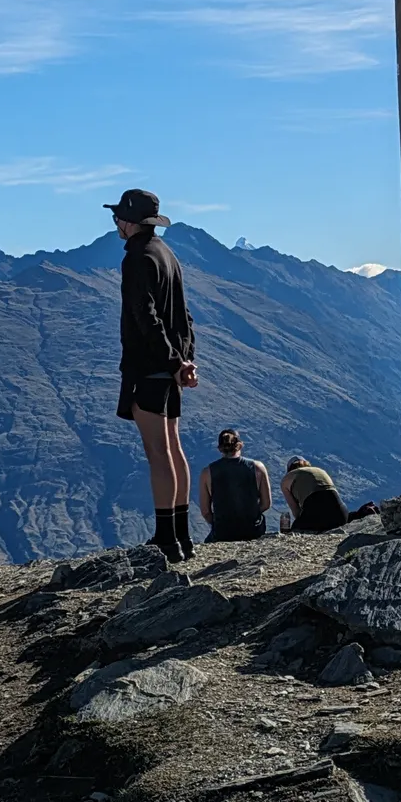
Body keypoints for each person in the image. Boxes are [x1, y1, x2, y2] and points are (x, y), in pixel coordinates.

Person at [109, 188, 199, 560]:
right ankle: (183, 536)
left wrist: (169, 361)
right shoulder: (168, 255)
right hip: (171, 368)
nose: (115, 222)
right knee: (174, 449)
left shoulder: (136, 258)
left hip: (149, 368)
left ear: (130, 222)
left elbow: (145, 316)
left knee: (157, 453)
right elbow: (183, 315)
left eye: (117, 217)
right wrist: (184, 360)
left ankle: (166, 541)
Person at [199, 428, 272, 542]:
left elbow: (206, 512)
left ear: (219, 448)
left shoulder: (207, 472)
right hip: (253, 530)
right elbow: (266, 504)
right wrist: (249, 514)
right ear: (240, 445)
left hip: (222, 533)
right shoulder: (258, 467)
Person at [280, 454, 357, 533]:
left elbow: (296, 511)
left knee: (296, 530)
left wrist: (299, 522)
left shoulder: (287, 479)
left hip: (316, 515)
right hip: (341, 515)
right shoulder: (320, 470)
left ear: (289, 469)